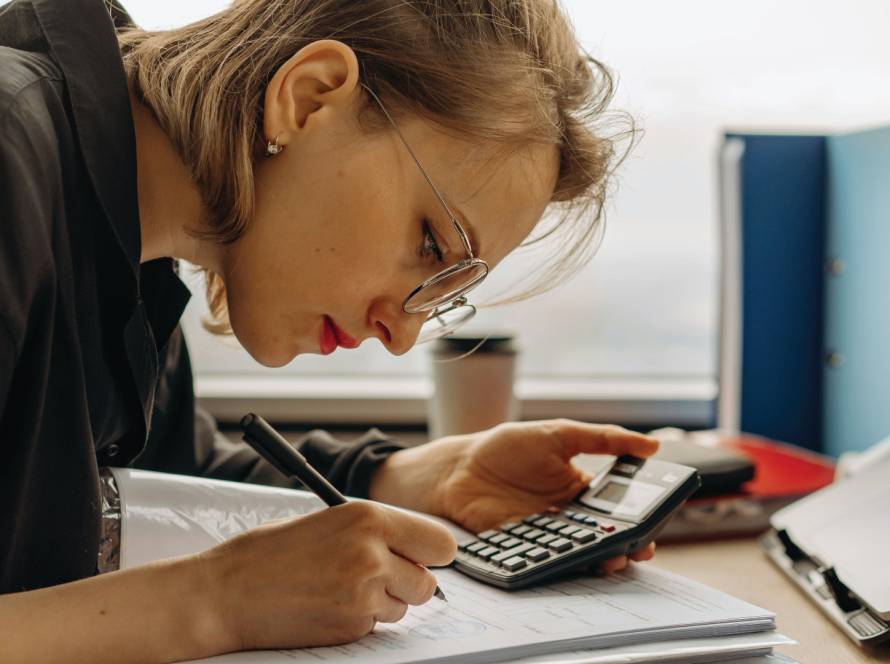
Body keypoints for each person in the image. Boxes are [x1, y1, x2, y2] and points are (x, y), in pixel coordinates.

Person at [0, 0, 659, 661]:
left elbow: (154, 479)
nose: (402, 336)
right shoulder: (10, 162)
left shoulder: (129, 252)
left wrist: (401, 478)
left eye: (446, 292)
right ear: (308, 98)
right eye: (432, 244)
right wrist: (214, 603)